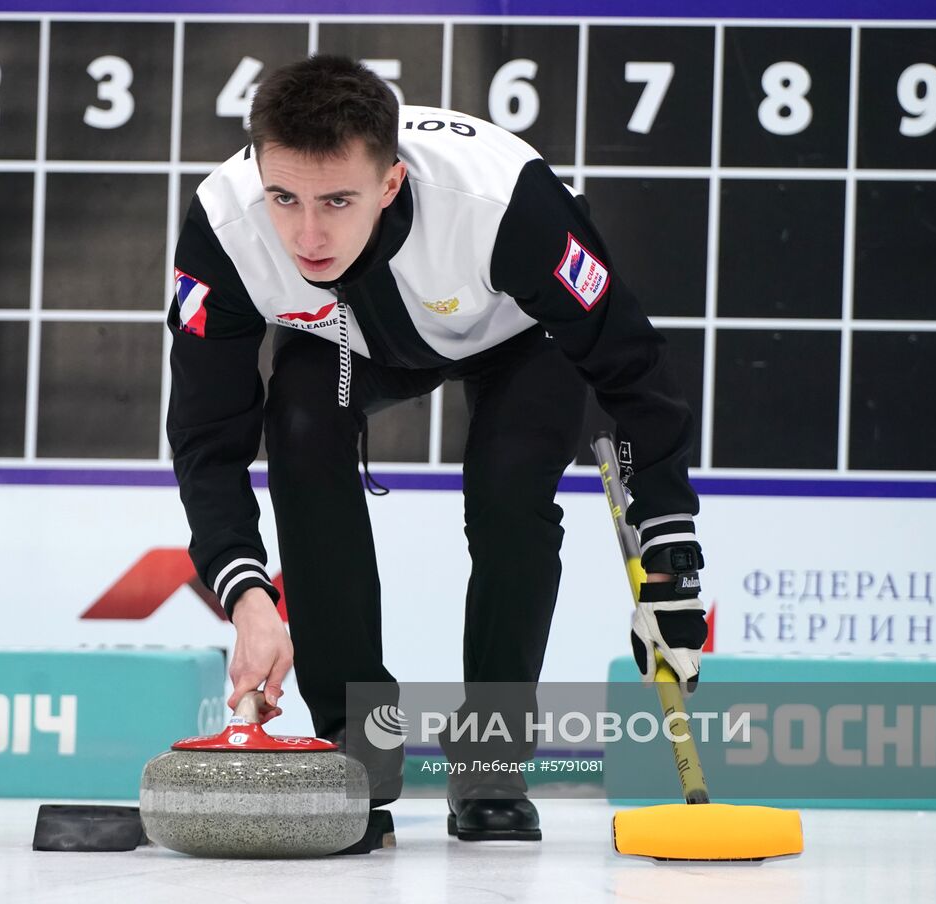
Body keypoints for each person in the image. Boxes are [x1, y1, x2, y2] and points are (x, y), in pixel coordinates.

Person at [165, 55, 707, 842]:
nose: (305, 234)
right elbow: (206, 438)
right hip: (346, 336)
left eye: (336, 201)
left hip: (520, 333)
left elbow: (633, 369)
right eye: (284, 198)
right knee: (302, 430)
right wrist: (248, 597)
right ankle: (360, 742)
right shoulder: (225, 228)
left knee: (508, 491)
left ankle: (491, 760)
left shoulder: (503, 204)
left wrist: (668, 558)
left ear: (388, 185)